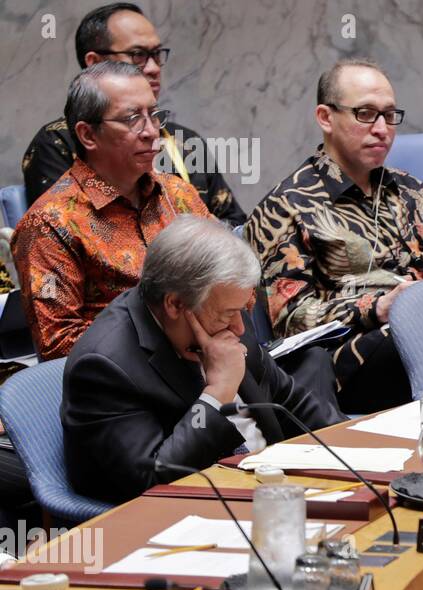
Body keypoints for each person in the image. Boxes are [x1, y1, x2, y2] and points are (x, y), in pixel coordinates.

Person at [61, 216, 343, 505]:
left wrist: (356, 451)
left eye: (241, 310)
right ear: (175, 304)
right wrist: (216, 395)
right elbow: (151, 480)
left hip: (272, 488)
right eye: (226, 315)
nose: (240, 328)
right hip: (185, 517)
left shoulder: (221, 307)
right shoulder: (105, 366)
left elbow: (292, 402)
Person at [246, 58, 423, 413]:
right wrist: (378, 307)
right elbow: (290, 321)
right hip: (345, 358)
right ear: (326, 118)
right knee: (408, 340)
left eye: (389, 115)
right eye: (365, 114)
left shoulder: (413, 192)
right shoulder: (287, 205)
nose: (381, 128)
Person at [12, 62, 210, 360]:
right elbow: (58, 345)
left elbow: (228, 277)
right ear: (88, 135)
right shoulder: (49, 224)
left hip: (210, 356)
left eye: (154, 115)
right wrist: (171, 329)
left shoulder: (177, 193)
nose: (151, 131)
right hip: (126, 384)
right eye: (133, 119)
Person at [20, 2, 244, 225]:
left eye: (156, 54)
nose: (154, 68)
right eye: (138, 55)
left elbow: (234, 226)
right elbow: (61, 226)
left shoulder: (184, 145)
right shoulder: (57, 142)